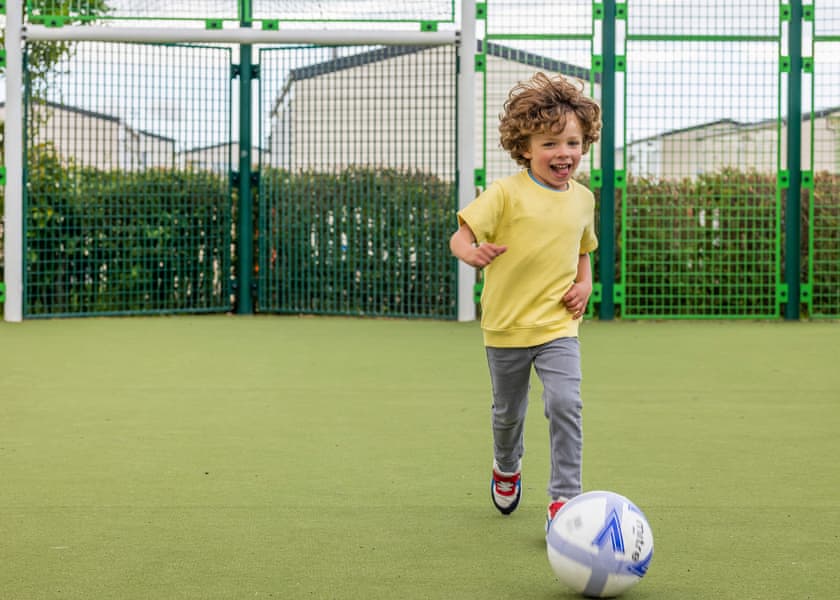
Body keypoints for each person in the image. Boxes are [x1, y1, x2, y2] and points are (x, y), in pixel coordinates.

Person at [449, 72, 602, 529]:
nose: (564, 154)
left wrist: (585, 285)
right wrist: (473, 254)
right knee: (507, 414)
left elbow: (583, 249)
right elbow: (461, 237)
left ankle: (564, 500)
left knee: (565, 405)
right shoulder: (503, 193)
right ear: (525, 146)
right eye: (551, 144)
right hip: (506, 327)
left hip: (558, 325)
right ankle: (506, 466)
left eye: (573, 143)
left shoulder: (583, 199)